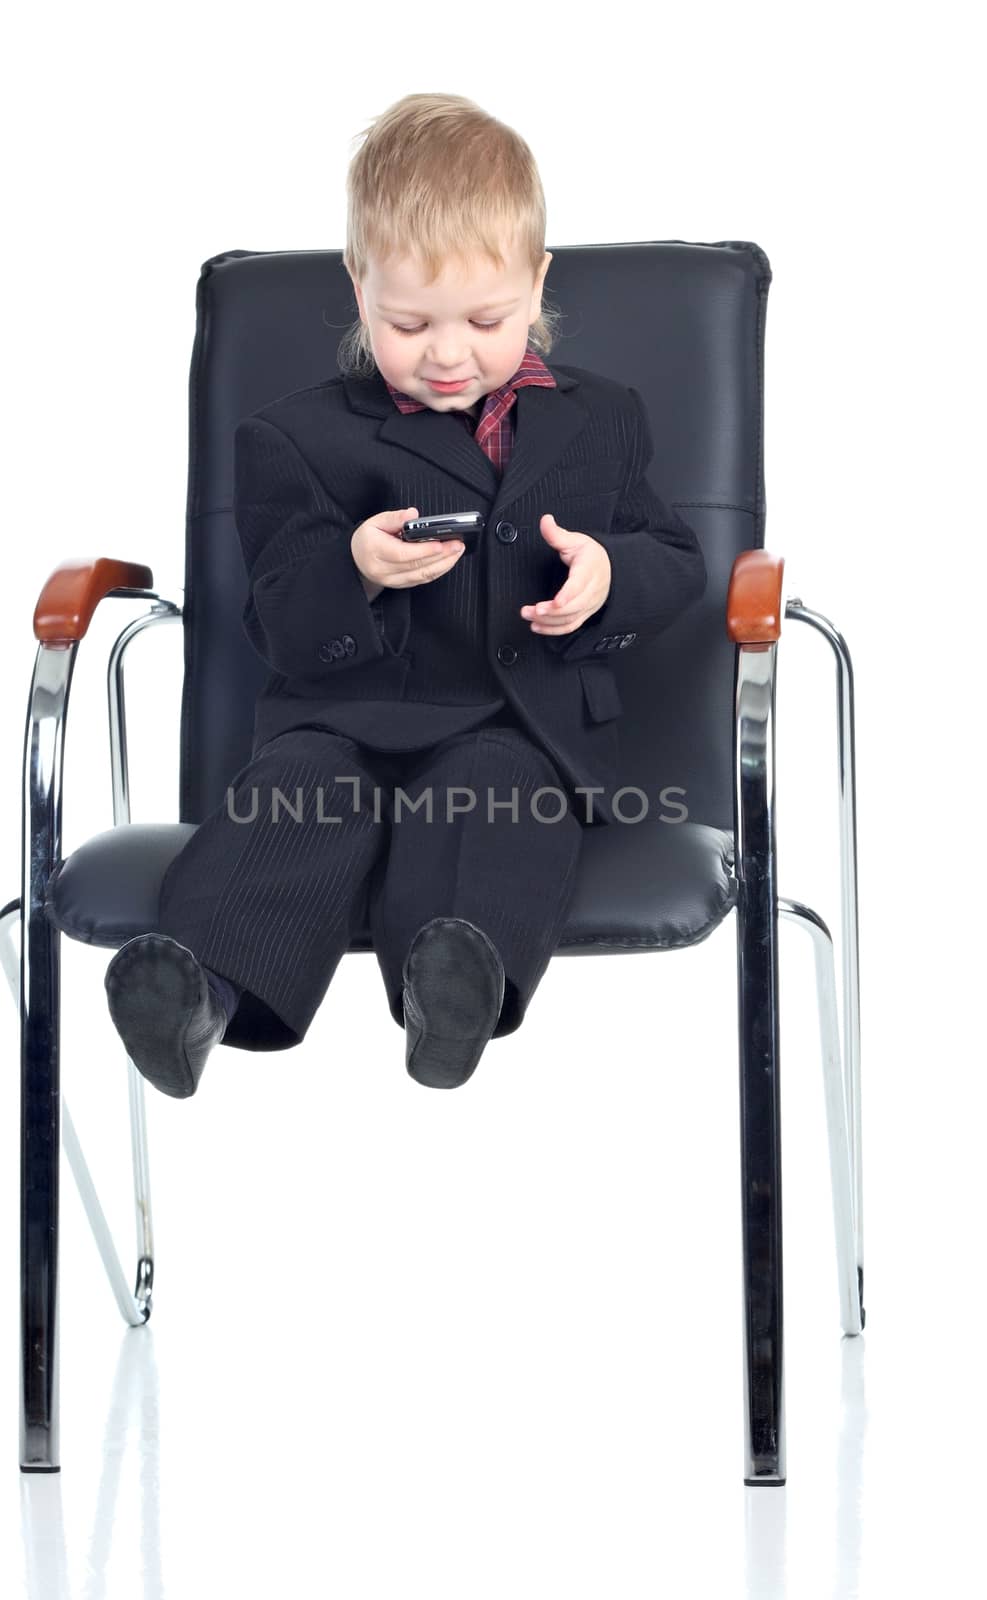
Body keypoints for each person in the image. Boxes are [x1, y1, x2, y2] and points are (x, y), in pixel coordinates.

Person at [104, 92, 707, 1099]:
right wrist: (354, 569)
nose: (446, 353)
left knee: (500, 798)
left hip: (520, 727)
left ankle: (452, 983)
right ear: (358, 283)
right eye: (406, 322)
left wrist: (605, 575)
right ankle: (197, 991)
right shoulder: (296, 438)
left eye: (485, 319)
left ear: (535, 283)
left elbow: (672, 558)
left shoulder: (602, 420)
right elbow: (280, 621)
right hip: (343, 722)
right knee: (297, 799)